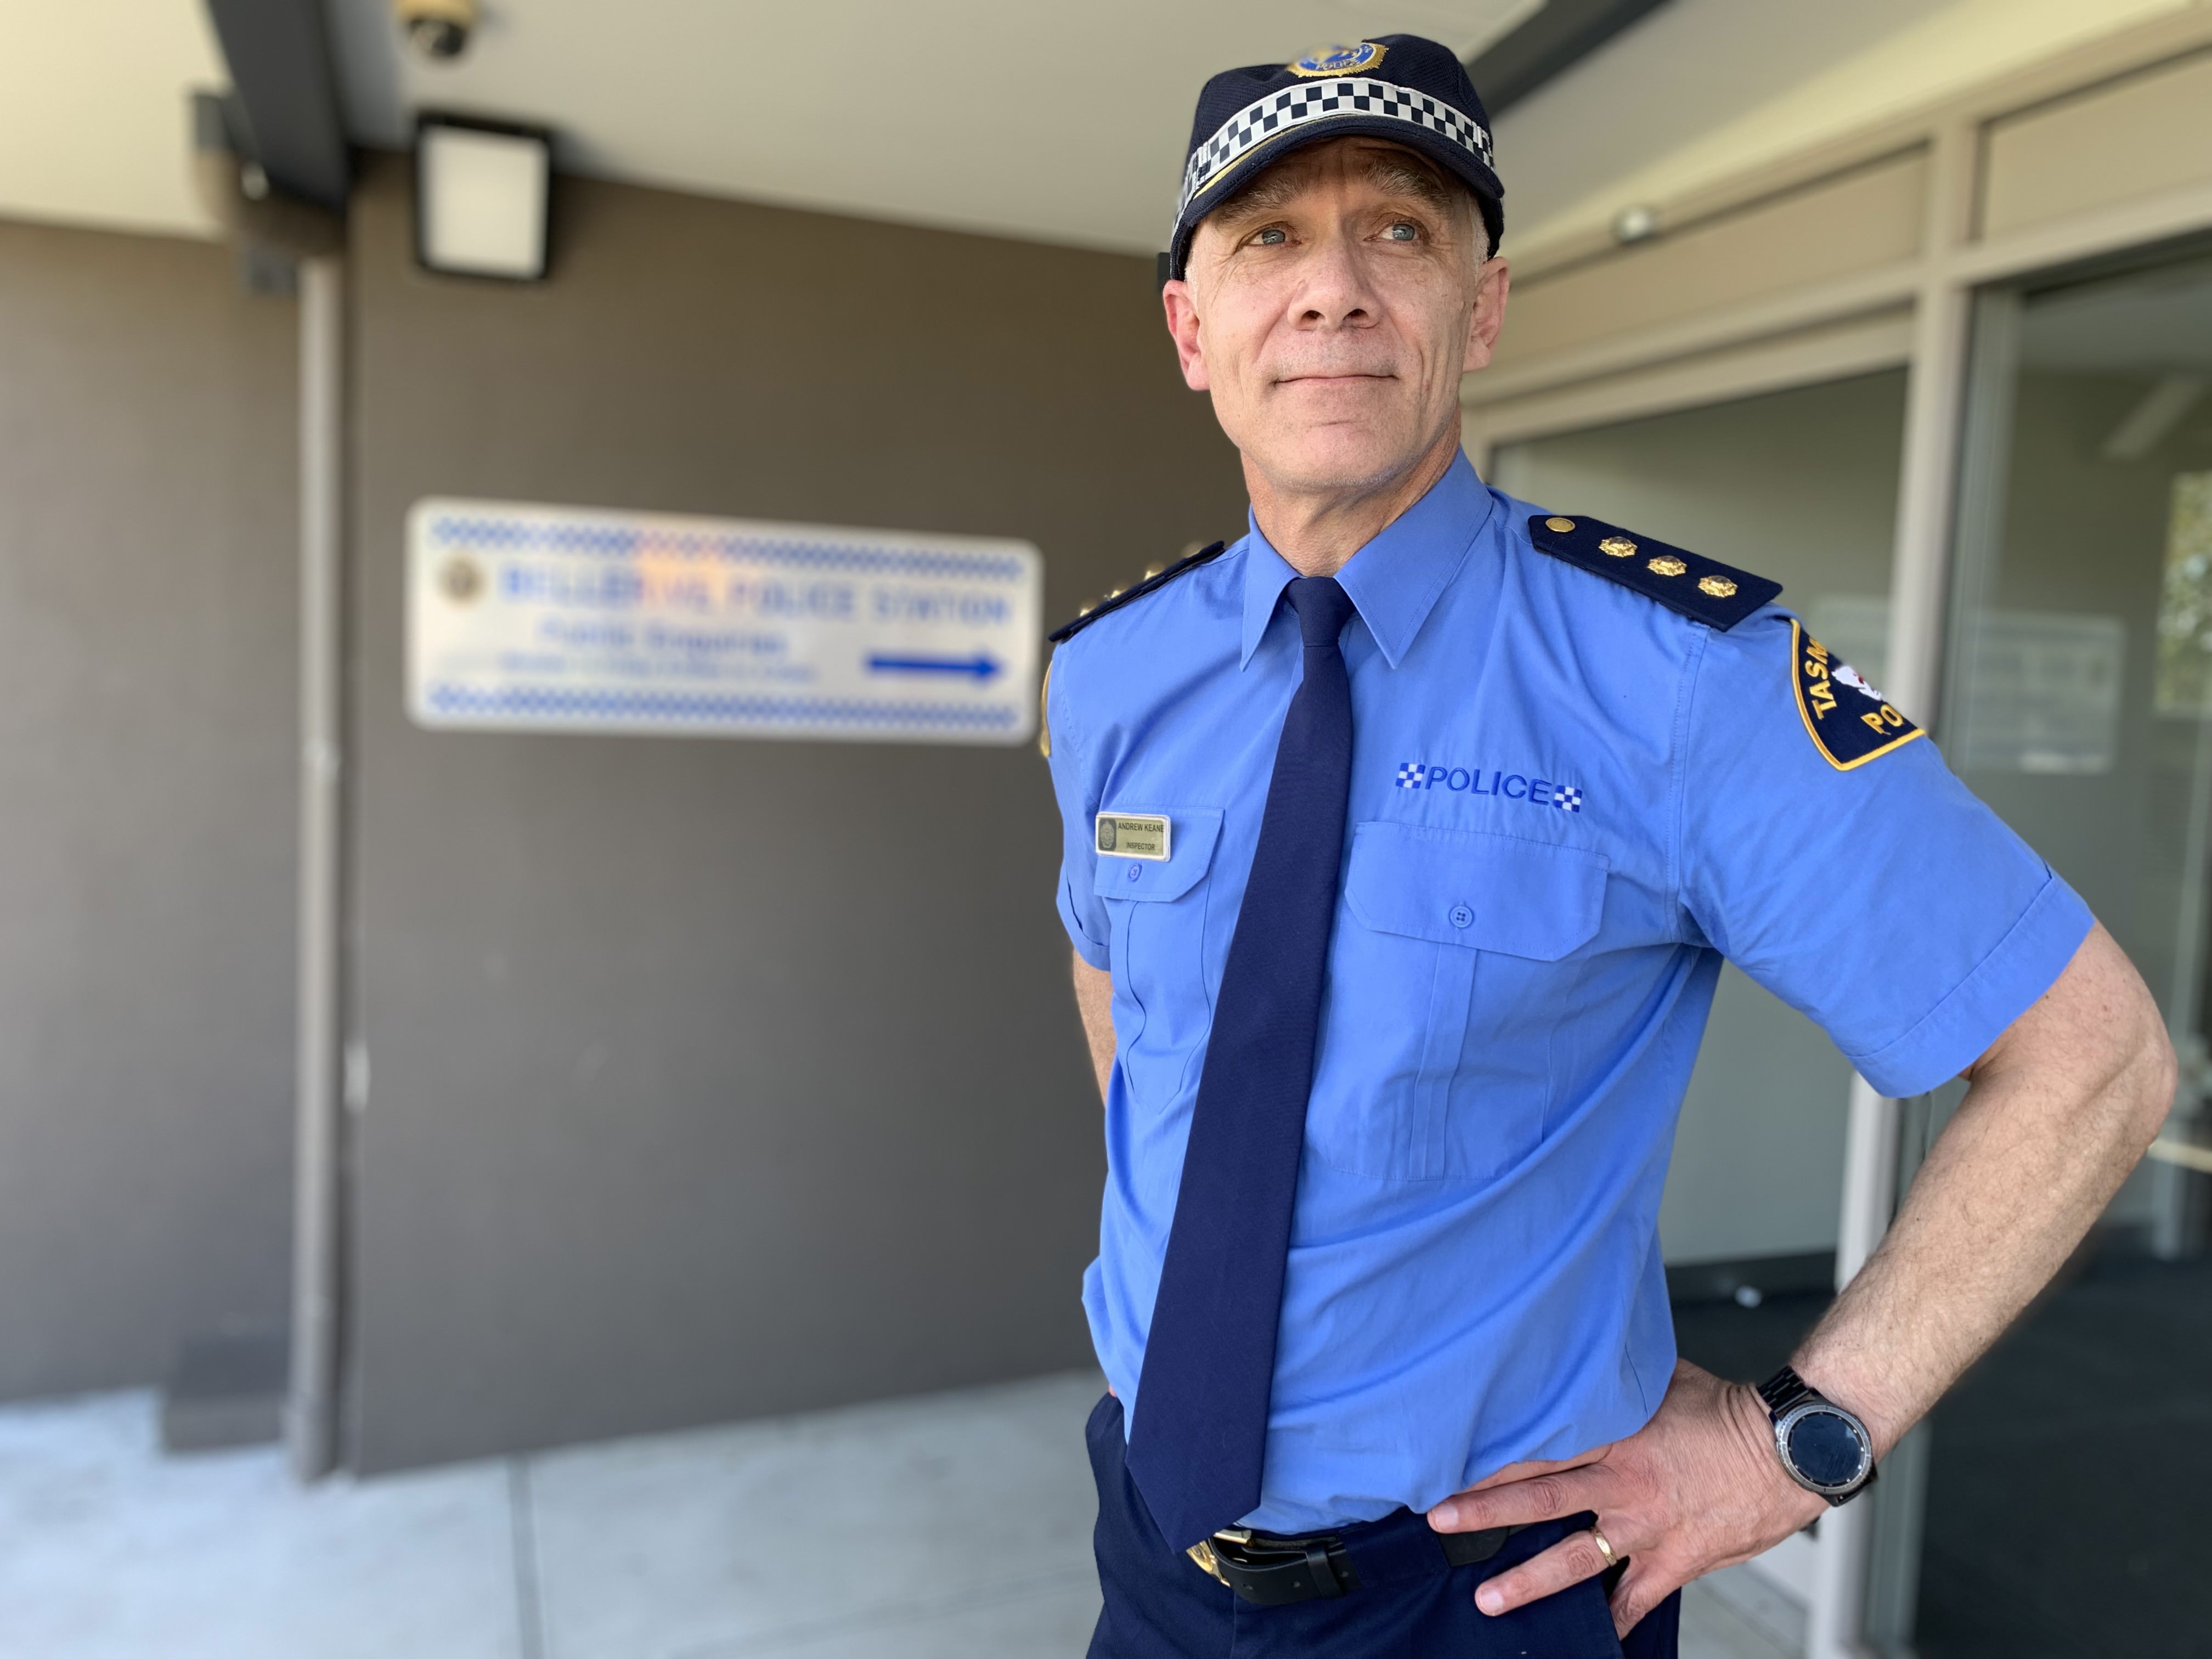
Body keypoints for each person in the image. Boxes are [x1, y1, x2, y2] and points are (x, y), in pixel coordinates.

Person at [1041, 33, 2173, 1659]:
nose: (1335, 290)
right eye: (1269, 237)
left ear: (1482, 307)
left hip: (1490, 1599)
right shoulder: (1114, 675)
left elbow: (2096, 1057)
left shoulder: (1672, 682)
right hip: (1153, 1550)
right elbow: (1114, 970)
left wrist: (1799, 1437)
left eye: (1405, 232)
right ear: (1190, 325)